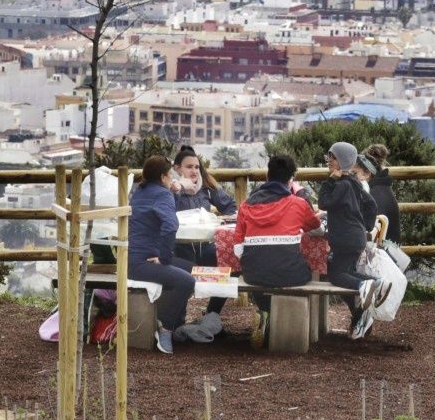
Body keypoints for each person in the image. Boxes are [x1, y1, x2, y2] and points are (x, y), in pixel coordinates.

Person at [232, 152, 322, 348]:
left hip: (253, 275)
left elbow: (238, 249)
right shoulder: (298, 203)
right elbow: (316, 227)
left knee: (260, 266)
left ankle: (266, 311)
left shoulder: (246, 206)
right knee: (307, 270)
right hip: (290, 274)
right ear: (291, 180)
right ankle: (292, 325)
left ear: (267, 176)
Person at [318, 141, 389, 339]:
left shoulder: (341, 185)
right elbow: (371, 204)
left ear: (342, 160)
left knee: (336, 275)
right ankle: (363, 305)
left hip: (345, 239)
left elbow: (323, 202)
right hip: (354, 237)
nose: (329, 161)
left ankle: (370, 284)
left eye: (332, 157)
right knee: (344, 272)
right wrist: (365, 226)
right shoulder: (355, 182)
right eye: (329, 157)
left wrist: (330, 180)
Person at [168, 146, 237, 341]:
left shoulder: (206, 188)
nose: (194, 171)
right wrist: (178, 190)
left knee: (225, 270)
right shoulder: (170, 188)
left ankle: (212, 315)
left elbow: (230, 206)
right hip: (180, 247)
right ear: (177, 168)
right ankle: (175, 324)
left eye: (197, 167)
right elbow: (165, 213)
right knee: (182, 280)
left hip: (206, 246)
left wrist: (222, 218)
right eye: (189, 167)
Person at [127, 154, 193, 355]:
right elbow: (170, 226)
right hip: (144, 262)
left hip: (133, 258)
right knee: (187, 281)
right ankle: (165, 328)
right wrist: (164, 259)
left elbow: (158, 211)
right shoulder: (162, 194)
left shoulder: (139, 191)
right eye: (170, 175)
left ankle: (177, 322)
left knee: (190, 267)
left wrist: (174, 194)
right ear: (164, 177)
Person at [360, 143, 402, 254]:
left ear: (367, 173)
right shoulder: (383, 190)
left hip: (380, 260)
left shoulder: (374, 196)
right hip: (390, 255)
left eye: (355, 172)